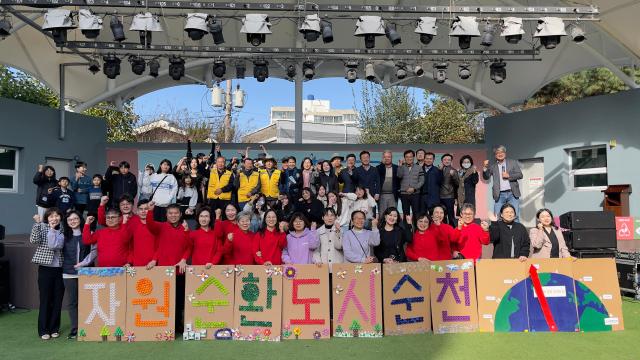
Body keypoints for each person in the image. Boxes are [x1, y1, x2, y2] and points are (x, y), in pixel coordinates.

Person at [145, 202, 190, 334]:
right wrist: (150, 211)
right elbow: (150, 225)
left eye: (176, 213)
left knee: (180, 300)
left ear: (180, 214)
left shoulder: (185, 228)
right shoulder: (161, 227)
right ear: (166, 215)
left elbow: (189, 247)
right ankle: (167, 325)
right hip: (164, 271)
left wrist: (183, 259)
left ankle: (179, 325)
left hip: (180, 270)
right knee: (166, 300)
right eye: (170, 213)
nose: (173, 215)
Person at [30, 208, 65, 340]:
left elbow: (58, 246)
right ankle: (43, 330)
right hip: (45, 269)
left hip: (59, 269)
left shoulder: (62, 230)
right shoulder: (42, 227)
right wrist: (38, 224)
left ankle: (54, 328)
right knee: (45, 299)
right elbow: (34, 240)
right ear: (47, 218)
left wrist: (54, 230)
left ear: (60, 218)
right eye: (51, 216)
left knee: (57, 299)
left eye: (56, 216)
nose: (54, 218)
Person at [61, 210, 96, 339]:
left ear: (80, 220)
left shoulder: (89, 233)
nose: (73, 221)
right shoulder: (63, 235)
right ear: (67, 222)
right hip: (68, 273)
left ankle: (89, 326)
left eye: (75, 218)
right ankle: (75, 328)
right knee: (72, 302)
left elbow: (93, 251)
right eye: (70, 220)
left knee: (87, 300)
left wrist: (84, 263)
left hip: (86, 272)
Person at [483, 145, 523, 222]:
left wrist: (509, 175)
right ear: (495, 155)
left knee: (515, 215)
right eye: (498, 153)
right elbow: (486, 177)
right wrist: (485, 167)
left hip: (512, 193)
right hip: (499, 194)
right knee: (497, 216)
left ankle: (516, 232)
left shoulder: (512, 162)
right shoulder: (493, 166)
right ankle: (500, 232)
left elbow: (520, 175)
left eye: (502, 152)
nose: (500, 154)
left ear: (505, 153)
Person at [397, 150, 425, 222]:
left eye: (410, 157)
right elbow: (399, 176)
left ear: (413, 157)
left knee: (416, 214)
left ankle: (416, 231)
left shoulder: (419, 167)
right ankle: (406, 231)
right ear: (404, 158)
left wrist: (414, 188)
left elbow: (422, 181)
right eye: (407, 157)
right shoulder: (401, 167)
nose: (409, 158)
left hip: (415, 194)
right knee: (406, 214)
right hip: (404, 194)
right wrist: (400, 166)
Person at [377, 150, 399, 216]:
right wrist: (382, 164)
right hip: (382, 195)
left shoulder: (396, 168)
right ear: (382, 158)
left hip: (393, 194)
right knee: (382, 214)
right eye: (385, 157)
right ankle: (381, 226)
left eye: (389, 157)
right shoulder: (378, 168)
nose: (387, 158)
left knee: (392, 214)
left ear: (391, 158)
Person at [439, 154, 460, 227]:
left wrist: (453, 175)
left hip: (449, 196)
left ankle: (452, 231)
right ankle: (443, 231)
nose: (447, 161)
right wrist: (440, 171)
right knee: (441, 216)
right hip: (439, 196)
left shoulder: (453, 170)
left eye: (449, 160)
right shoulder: (439, 169)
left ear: (451, 161)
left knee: (451, 216)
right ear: (442, 161)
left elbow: (458, 183)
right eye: (445, 159)